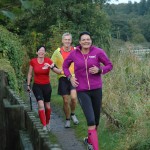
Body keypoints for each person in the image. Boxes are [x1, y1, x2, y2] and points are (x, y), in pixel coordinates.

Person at [63, 31, 113, 150]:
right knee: (90, 120)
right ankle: (95, 148)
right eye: (84, 39)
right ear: (79, 42)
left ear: (91, 41)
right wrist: (70, 77)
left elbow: (109, 65)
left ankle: (88, 140)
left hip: (96, 89)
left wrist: (100, 70)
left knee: (96, 121)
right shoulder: (74, 53)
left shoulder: (98, 52)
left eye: (88, 39)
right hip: (82, 90)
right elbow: (65, 66)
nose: (86, 41)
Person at [27, 45, 62, 132]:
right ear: (37, 52)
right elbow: (30, 74)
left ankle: (48, 122)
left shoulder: (48, 61)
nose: (41, 52)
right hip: (37, 86)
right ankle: (44, 125)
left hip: (47, 86)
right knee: (41, 105)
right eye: (39, 50)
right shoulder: (33, 61)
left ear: (45, 53)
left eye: (43, 50)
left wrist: (51, 67)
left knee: (47, 106)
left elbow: (59, 72)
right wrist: (28, 85)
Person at [51, 32, 79, 128]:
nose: (67, 41)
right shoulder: (57, 52)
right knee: (66, 100)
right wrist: (57, 70)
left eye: (69, 40)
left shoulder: (76, 50)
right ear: (62, 41)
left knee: (74, 98)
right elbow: (51, 64)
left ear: (71, 41)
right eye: (65, 40)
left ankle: (73, 114)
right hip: (62, 78)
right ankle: (67, 119)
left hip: (73, 77)